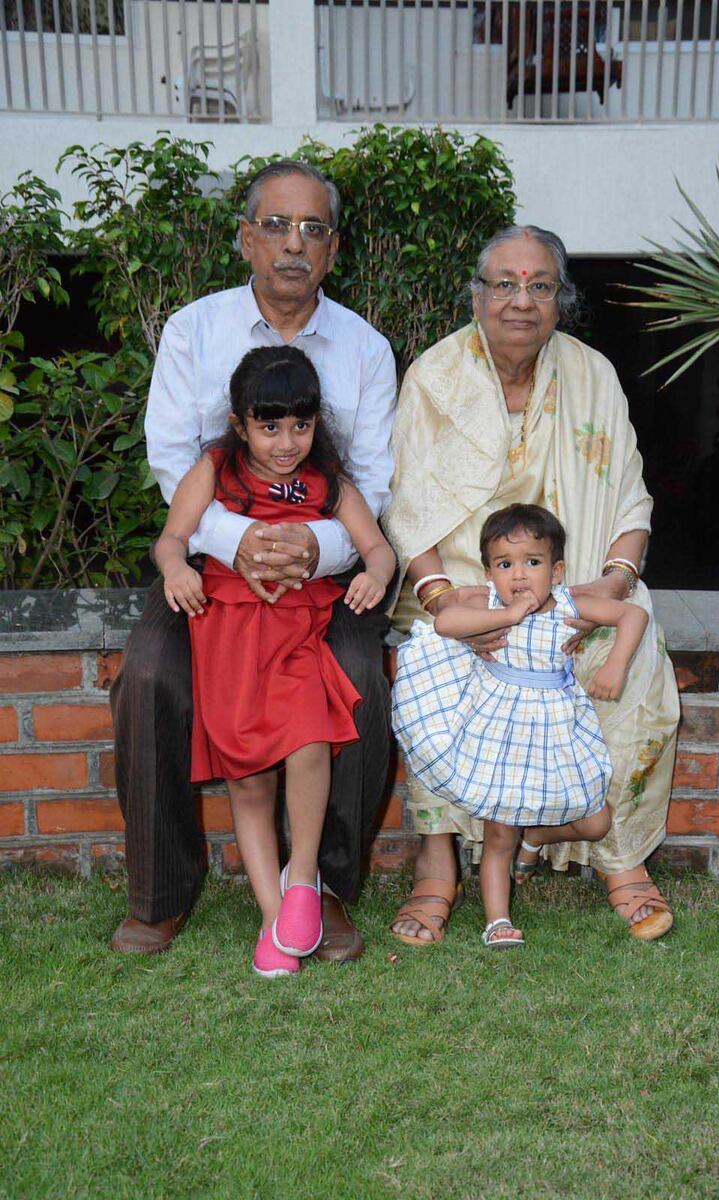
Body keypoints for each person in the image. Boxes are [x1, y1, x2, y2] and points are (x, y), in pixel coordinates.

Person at [111, 161, 397, 958]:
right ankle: (161, 894)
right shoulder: (193, 331)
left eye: (312, 229)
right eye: (275, 225)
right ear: (245, 238)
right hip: (210, 568)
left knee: (360, 680)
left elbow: (369, 478)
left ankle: (326, 889)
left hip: (321, 576)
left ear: (334, 248)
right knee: (149, 676)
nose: (293, 244)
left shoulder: (366, 349)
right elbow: (173, 459)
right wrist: (236, 541)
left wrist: (321, 546)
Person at [384, 224, 679, 946]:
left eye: (539, 285)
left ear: (560, 300)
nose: (521, 300)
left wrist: (602, 589)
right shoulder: (436, 375)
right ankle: (437, 864)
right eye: (504, 284)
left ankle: (621, 859)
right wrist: (444, 600)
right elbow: (407, 505)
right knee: (431, 659)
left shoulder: (591, 375)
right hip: (462, 589)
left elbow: (631, 502)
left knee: (633, 639)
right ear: (478, 296)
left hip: (573, 586)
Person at [154, 347, 395, 976]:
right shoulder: (216, 469)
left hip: (297, 629)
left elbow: (378, 547)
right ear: (239, 423)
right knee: (248, 775)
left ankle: (304, 877)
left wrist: (374, 573)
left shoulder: (328, 481)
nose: (287, 442)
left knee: (311, 738)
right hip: (229, 629)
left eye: (301, 425)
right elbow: (172, 537)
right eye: (269, 427)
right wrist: (177, 568)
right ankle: (272, 916)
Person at [392, 504, 648, 948]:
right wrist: (507, 616)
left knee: (596, 821)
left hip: (557, 733)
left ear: (557, 570)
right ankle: (498, 920)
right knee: (498, 833)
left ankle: (539, 836)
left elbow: (633, 616)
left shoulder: (570, 605)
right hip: (499, 732)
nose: (520, 575)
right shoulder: (487, 601)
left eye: (533, 562)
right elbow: (445, 621)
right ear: (489, 572)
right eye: (505, 564)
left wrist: (616, 666)